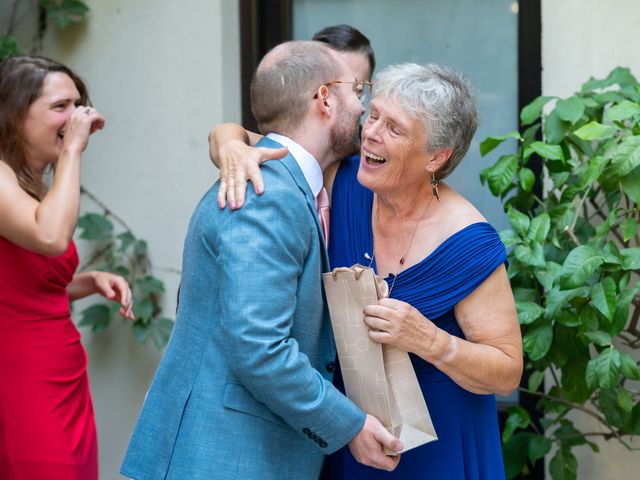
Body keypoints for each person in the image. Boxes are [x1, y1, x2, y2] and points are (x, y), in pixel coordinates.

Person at [208, 63, 524, 479]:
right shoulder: (344, 180)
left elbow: (506, 370)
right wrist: (229, 146)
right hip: (349, 429)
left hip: (438, 442)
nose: (371, 132)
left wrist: (428, 339)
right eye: (373, 115)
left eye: (394, 128)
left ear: (437, 156)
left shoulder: (467, 242)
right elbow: (236, 137)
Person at [121, 41, 403, 480]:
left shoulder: (282, 182)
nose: (362, 108)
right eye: (357, 91)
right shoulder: (266, 195)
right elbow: (259, 347)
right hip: (224, 455)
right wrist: (349, 425)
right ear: (324, 98)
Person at [0, 55, 134, 479]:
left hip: (64, 373)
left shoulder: (34, 186)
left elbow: (21, 285)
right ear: (15, 113)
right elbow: (50, 237)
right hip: (21, 375)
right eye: (61, 107)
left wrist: (87, 282)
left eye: (79, 105)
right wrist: (73, 149)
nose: (76, 117)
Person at [212, 24, 375, 210]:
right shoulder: (282, 161)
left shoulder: (365, 155)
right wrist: (230, 143)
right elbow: (230, 136)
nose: (358, 106)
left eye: (358, 90)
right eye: (348, 87)